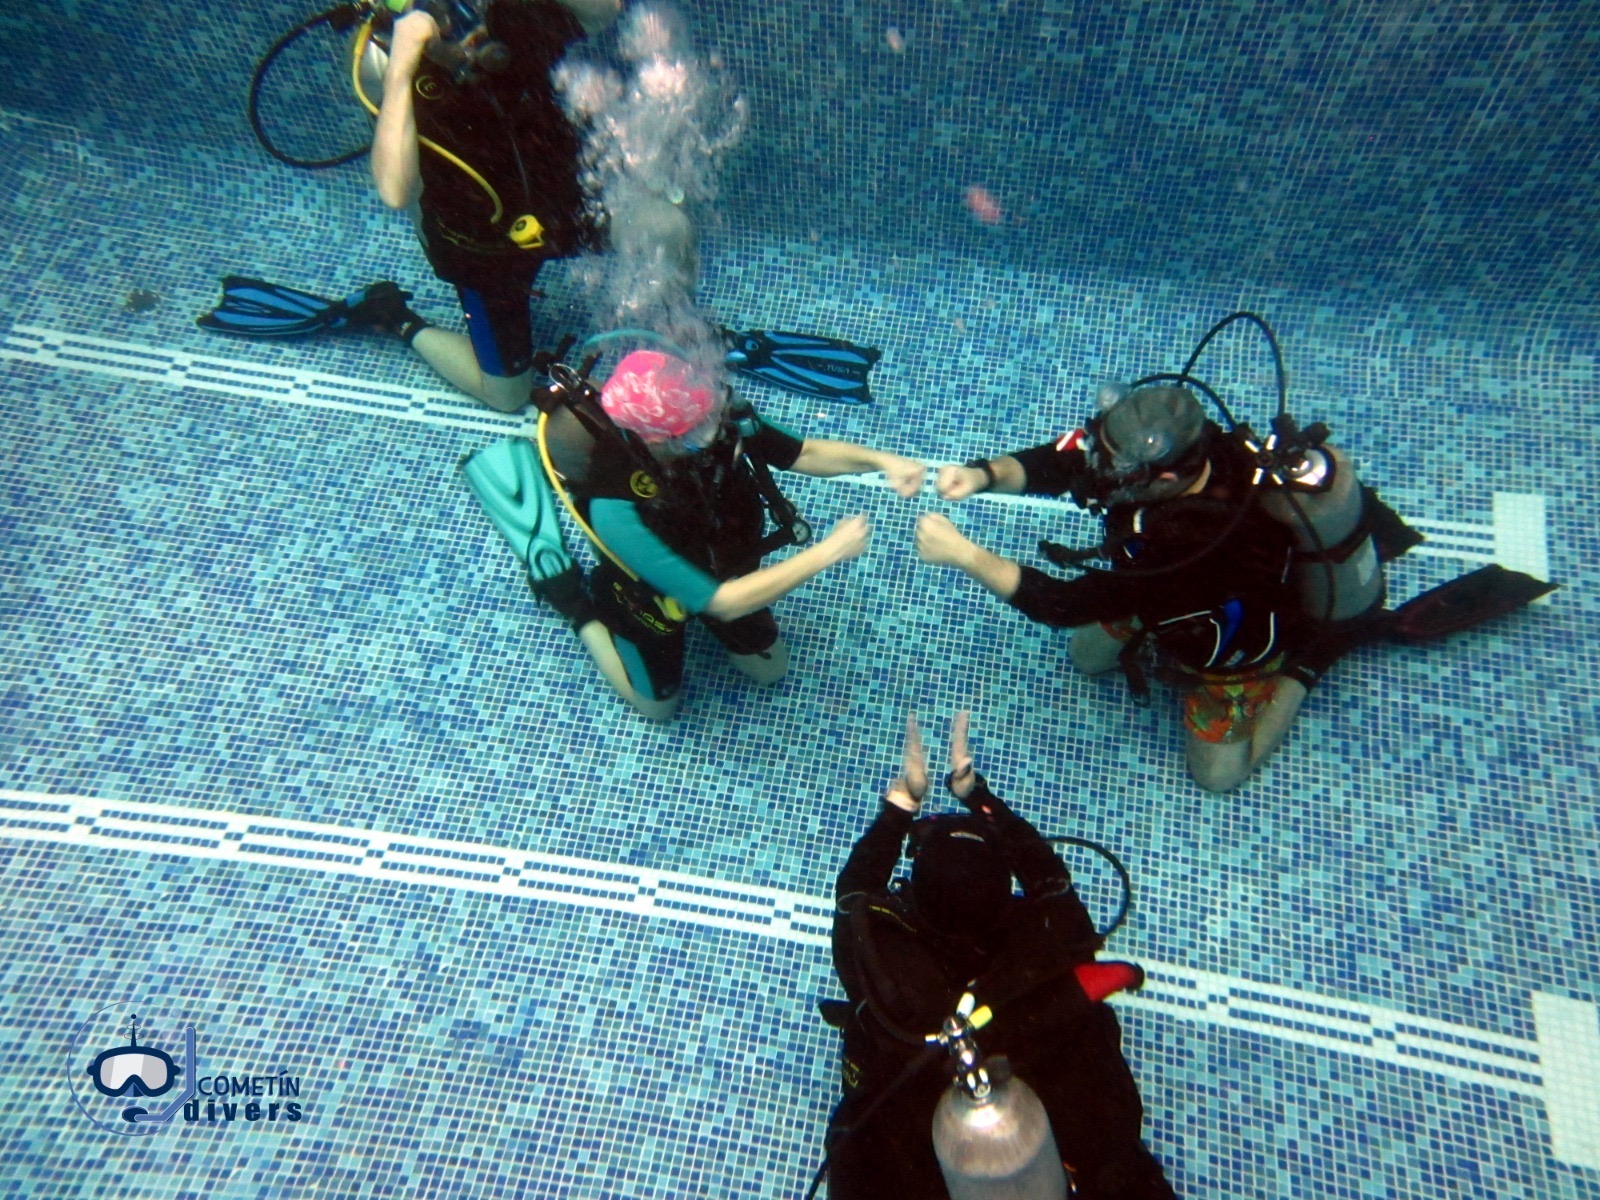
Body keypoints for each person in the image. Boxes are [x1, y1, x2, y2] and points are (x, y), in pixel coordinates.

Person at [821, 711, 1175, 1199]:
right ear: (1006, 897)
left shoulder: (884, 965)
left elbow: (854, 893)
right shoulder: (1050, 943)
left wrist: (900, 807)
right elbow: (1051, 880)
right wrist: (976, 794)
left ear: (914, 902)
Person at [915, 385, 1319, 793]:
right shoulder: (1185, 454)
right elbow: (1063, 461)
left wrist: (965, 554)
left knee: (1216, 777)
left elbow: (1063, 605)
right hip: (1147, 596)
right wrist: (982, 475)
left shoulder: (1191, 552)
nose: (1097, 469)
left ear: (1164, 478)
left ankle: (1309, 662)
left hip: (1230, 646)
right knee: (1085, 657)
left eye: (1114, 466)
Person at [541, 349, 925, 720]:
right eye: (699, 428)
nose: (716, 430)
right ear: (656, 439)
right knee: (658, 709)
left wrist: (881, 461)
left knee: (770, 670)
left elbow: (803, 452)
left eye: (711, 414)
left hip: (724, 565)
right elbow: (722, 603)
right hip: (654, 601)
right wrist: (829, 552)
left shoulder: (712, 416)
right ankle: (576, 606)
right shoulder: (616, 509)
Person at [365, 0, 699, 413]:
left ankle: (679, 339)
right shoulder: (383, 59)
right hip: (484, 249)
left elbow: (604, 10)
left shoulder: (509, 15)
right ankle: (397, 318)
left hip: (562, 207)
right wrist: (401, 69)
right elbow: (395, 191)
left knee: (669, 228)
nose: (462, 24)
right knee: (507, 397)